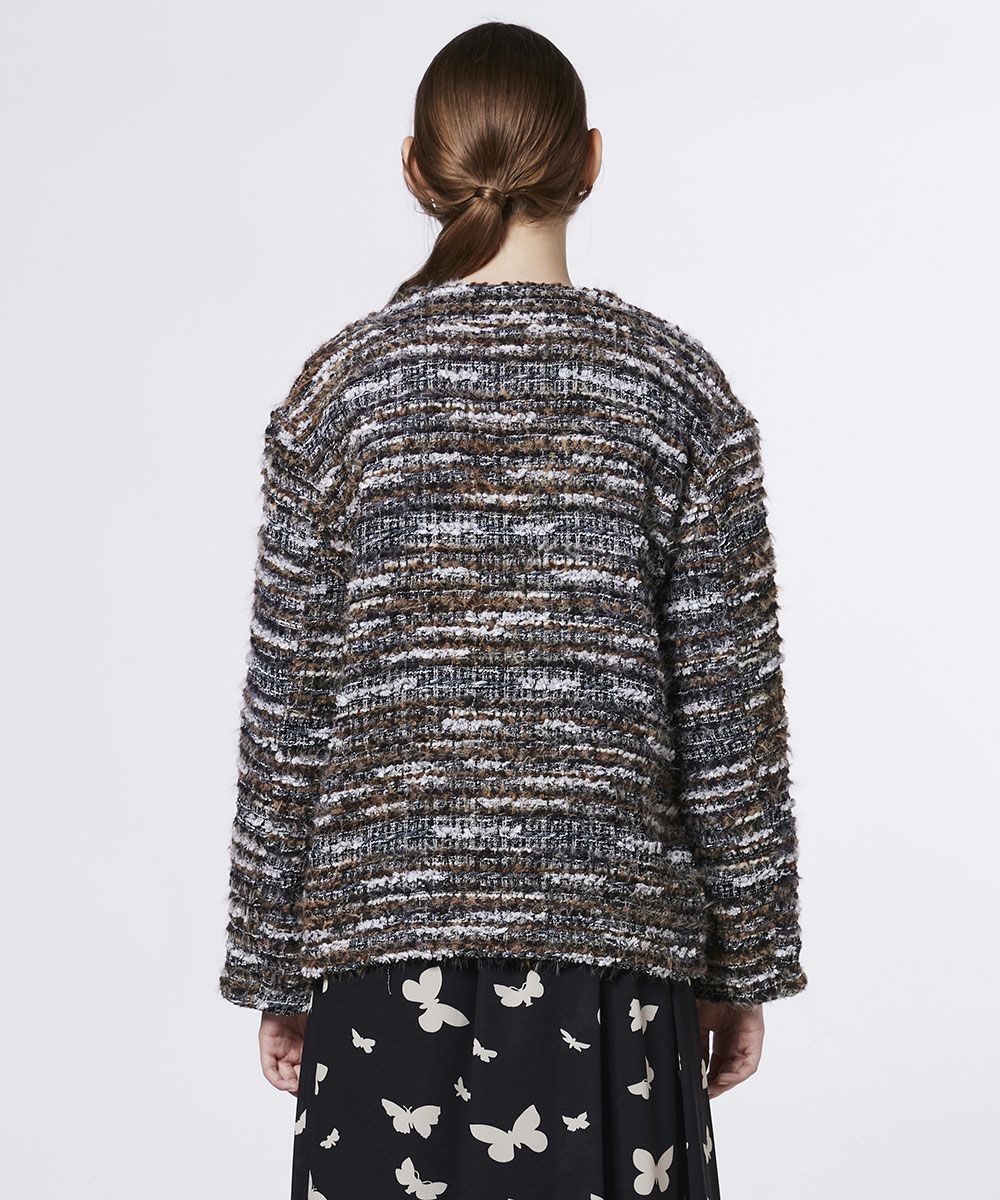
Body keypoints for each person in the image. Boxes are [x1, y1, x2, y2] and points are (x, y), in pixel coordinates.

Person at [219, 20, 807, 1200]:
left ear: (414, 168)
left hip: (381, 964)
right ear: (589, 160)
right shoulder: (676, 391)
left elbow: (290, 708)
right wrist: (742, 963)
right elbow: (729, 718)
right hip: (615, 966)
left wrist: (275, 967)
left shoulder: (340, 393)